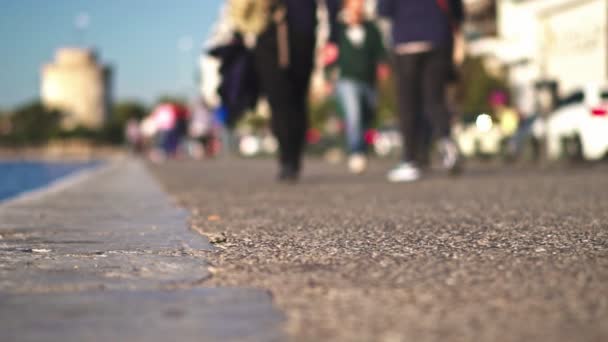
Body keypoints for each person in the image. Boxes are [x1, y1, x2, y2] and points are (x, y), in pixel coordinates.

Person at [249, 0, 340, 182]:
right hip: (265, 28)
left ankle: (294, 156)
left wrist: (334, 34)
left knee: (297, 96)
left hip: (300, 31)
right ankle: (286, 158)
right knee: (278, 98)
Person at [378, 0, 464, 182]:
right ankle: (446, 142)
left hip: (407, 39)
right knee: (435, 99)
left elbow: (384, 9)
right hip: (438, 37)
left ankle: (410, 159)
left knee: (408, 103)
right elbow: (456, 9)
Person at [327, 0, 388, 174]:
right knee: (353, 115)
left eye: (360, 6)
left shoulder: (371, 29)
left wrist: (383, 66)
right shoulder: (337, 30)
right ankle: (356, 152)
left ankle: (363, 148)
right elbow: (329, 54)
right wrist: (327, 77)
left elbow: (381, 51)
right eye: (353, 6)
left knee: (367, 115)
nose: (357, 9)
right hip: (346, 80)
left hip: (369, 81)